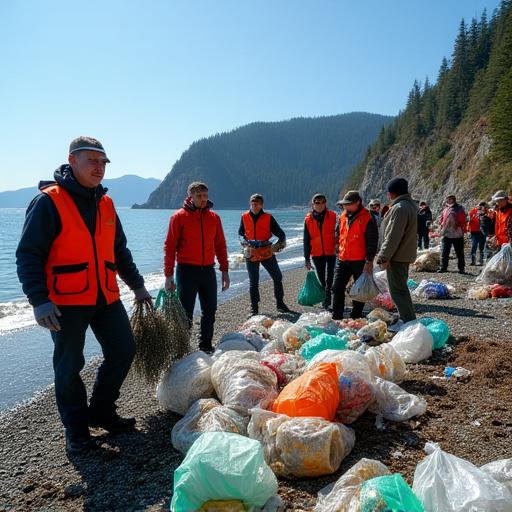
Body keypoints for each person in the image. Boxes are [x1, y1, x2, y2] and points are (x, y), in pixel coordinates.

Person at [16, 137, 151, 454]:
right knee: (69, 367)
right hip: (65, 301)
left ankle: (101, 411)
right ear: (71, 160)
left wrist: (138, 285)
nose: (99, 167)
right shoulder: (49, 201)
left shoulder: (105, 203)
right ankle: (76, 432)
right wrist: (39, 300)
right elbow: (28, 255)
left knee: (123, 350)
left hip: (106, 296)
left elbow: (119, 251)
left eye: (103, 162)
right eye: (91, 160)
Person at [164, 182, 230, 354]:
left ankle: (205, 345)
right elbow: (170, 247)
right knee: (185, 313)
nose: (203, 199)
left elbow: (221, 245)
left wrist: (225, 270)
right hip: (186, 271)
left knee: (210, 310)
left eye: (205, 196)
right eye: (199, 196)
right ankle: (182, 348)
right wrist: (168, 275)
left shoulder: (214, 218)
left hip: (208, 270)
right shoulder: (179, 217)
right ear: (190, 196)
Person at [238, 193, 290, 316]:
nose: (254, 205)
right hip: (251, 252)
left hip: (266, 252)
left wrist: (275, 247)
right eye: (252, 203)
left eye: (257, 203)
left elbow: (281, 235)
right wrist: (244, 243)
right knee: (253, 282)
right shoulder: (244, 216)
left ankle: (280, 304)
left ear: (262, 205)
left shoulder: (268, 218)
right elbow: (240, 233)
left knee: (277, 277)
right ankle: (254, 308)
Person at [376, 177, 418, 328]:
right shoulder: (408, 205)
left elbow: (394, 236)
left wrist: (383, 256)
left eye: (389, 192)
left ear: (392, 193)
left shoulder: (400, 208)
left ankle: (408, 321)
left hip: (397, 255)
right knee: (400, 288)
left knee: (398, 290)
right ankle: (408, 319)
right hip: (403, 254)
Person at [331, 191, 378, 320]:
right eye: (344, 204)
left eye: (348, 204)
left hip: (360, 260)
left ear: (357, 203)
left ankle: (356, 315)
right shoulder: (343, 216)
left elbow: (372, 241)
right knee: (337, 288)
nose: (345, 207)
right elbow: (338, 233)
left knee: (359, 290)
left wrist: (369, 261)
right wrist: (336, 244)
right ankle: (337, 316)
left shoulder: (367, 217)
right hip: (343, 259)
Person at [303, 193, 337, 310]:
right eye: (317, 202)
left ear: (326, 203)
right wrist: (306, 258)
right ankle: (325, 299)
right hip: (317, 253)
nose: (320, 204)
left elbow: (340, 232)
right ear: (313, 204)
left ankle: (328, 297)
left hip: (331, 251)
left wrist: (338, 245)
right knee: (321, 277)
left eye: (323, 202)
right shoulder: (308, 219)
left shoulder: (332, 216)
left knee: (330, 275)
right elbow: (306, 239)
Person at [438, 194, 467, 274]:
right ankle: (443, 267)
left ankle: (461, 268)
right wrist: (441, 227)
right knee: (445, 251)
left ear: (451, 199)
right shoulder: (446, 209)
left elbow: (463, 220)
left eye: (448, 199)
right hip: (446, 234)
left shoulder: (459, 209)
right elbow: (442, 220)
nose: (446, 200)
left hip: (457, 234)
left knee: (459, 252)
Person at [467, 201, 489, 266]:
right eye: (479, 206)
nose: (481, 208)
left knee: (481, 246)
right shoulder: (472, 211)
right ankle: (473, 260)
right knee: (474, 245)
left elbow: (488, 221)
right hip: (474, 231)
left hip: (482, 232)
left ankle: (481, 260)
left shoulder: (487, 212)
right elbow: (469, 221)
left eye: (483, 206)